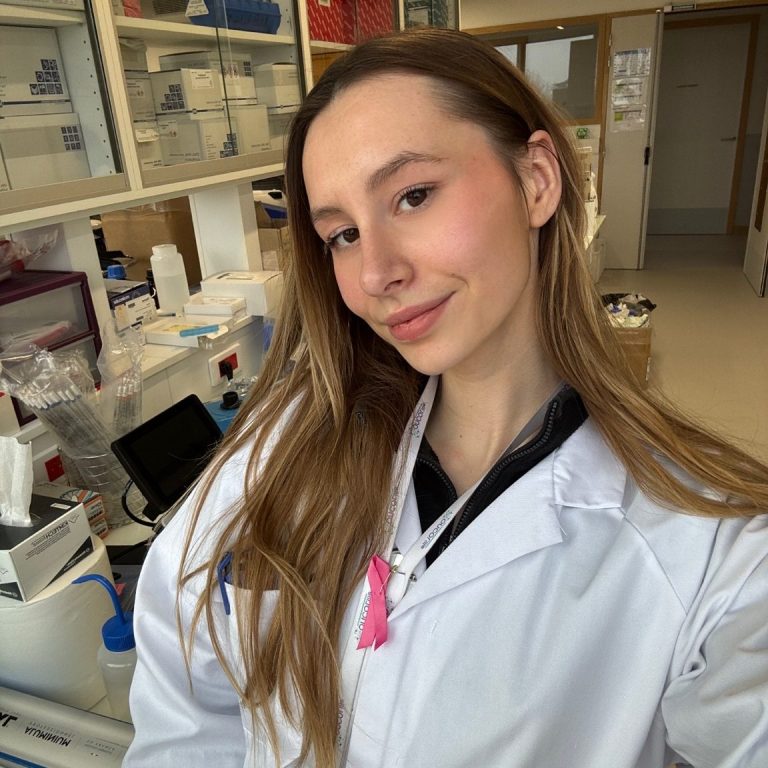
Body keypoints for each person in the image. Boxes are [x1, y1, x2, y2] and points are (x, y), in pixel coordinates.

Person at [124, 28, 768, 768]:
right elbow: (186, 712)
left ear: (536, 181)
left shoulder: (705, 543)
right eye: (342, 235)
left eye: (414, 196)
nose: (377, 273)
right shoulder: (283, 446)